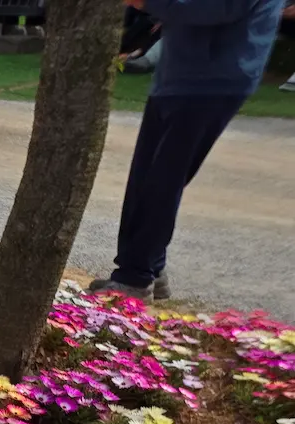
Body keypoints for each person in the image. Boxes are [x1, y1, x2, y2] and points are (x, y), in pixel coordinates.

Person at [88, 0, 282, 300]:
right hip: (178, 75)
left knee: (162, 181)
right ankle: (148, 268)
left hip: (213, 79)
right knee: (146, 178)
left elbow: (216, 8)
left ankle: (135, 277)